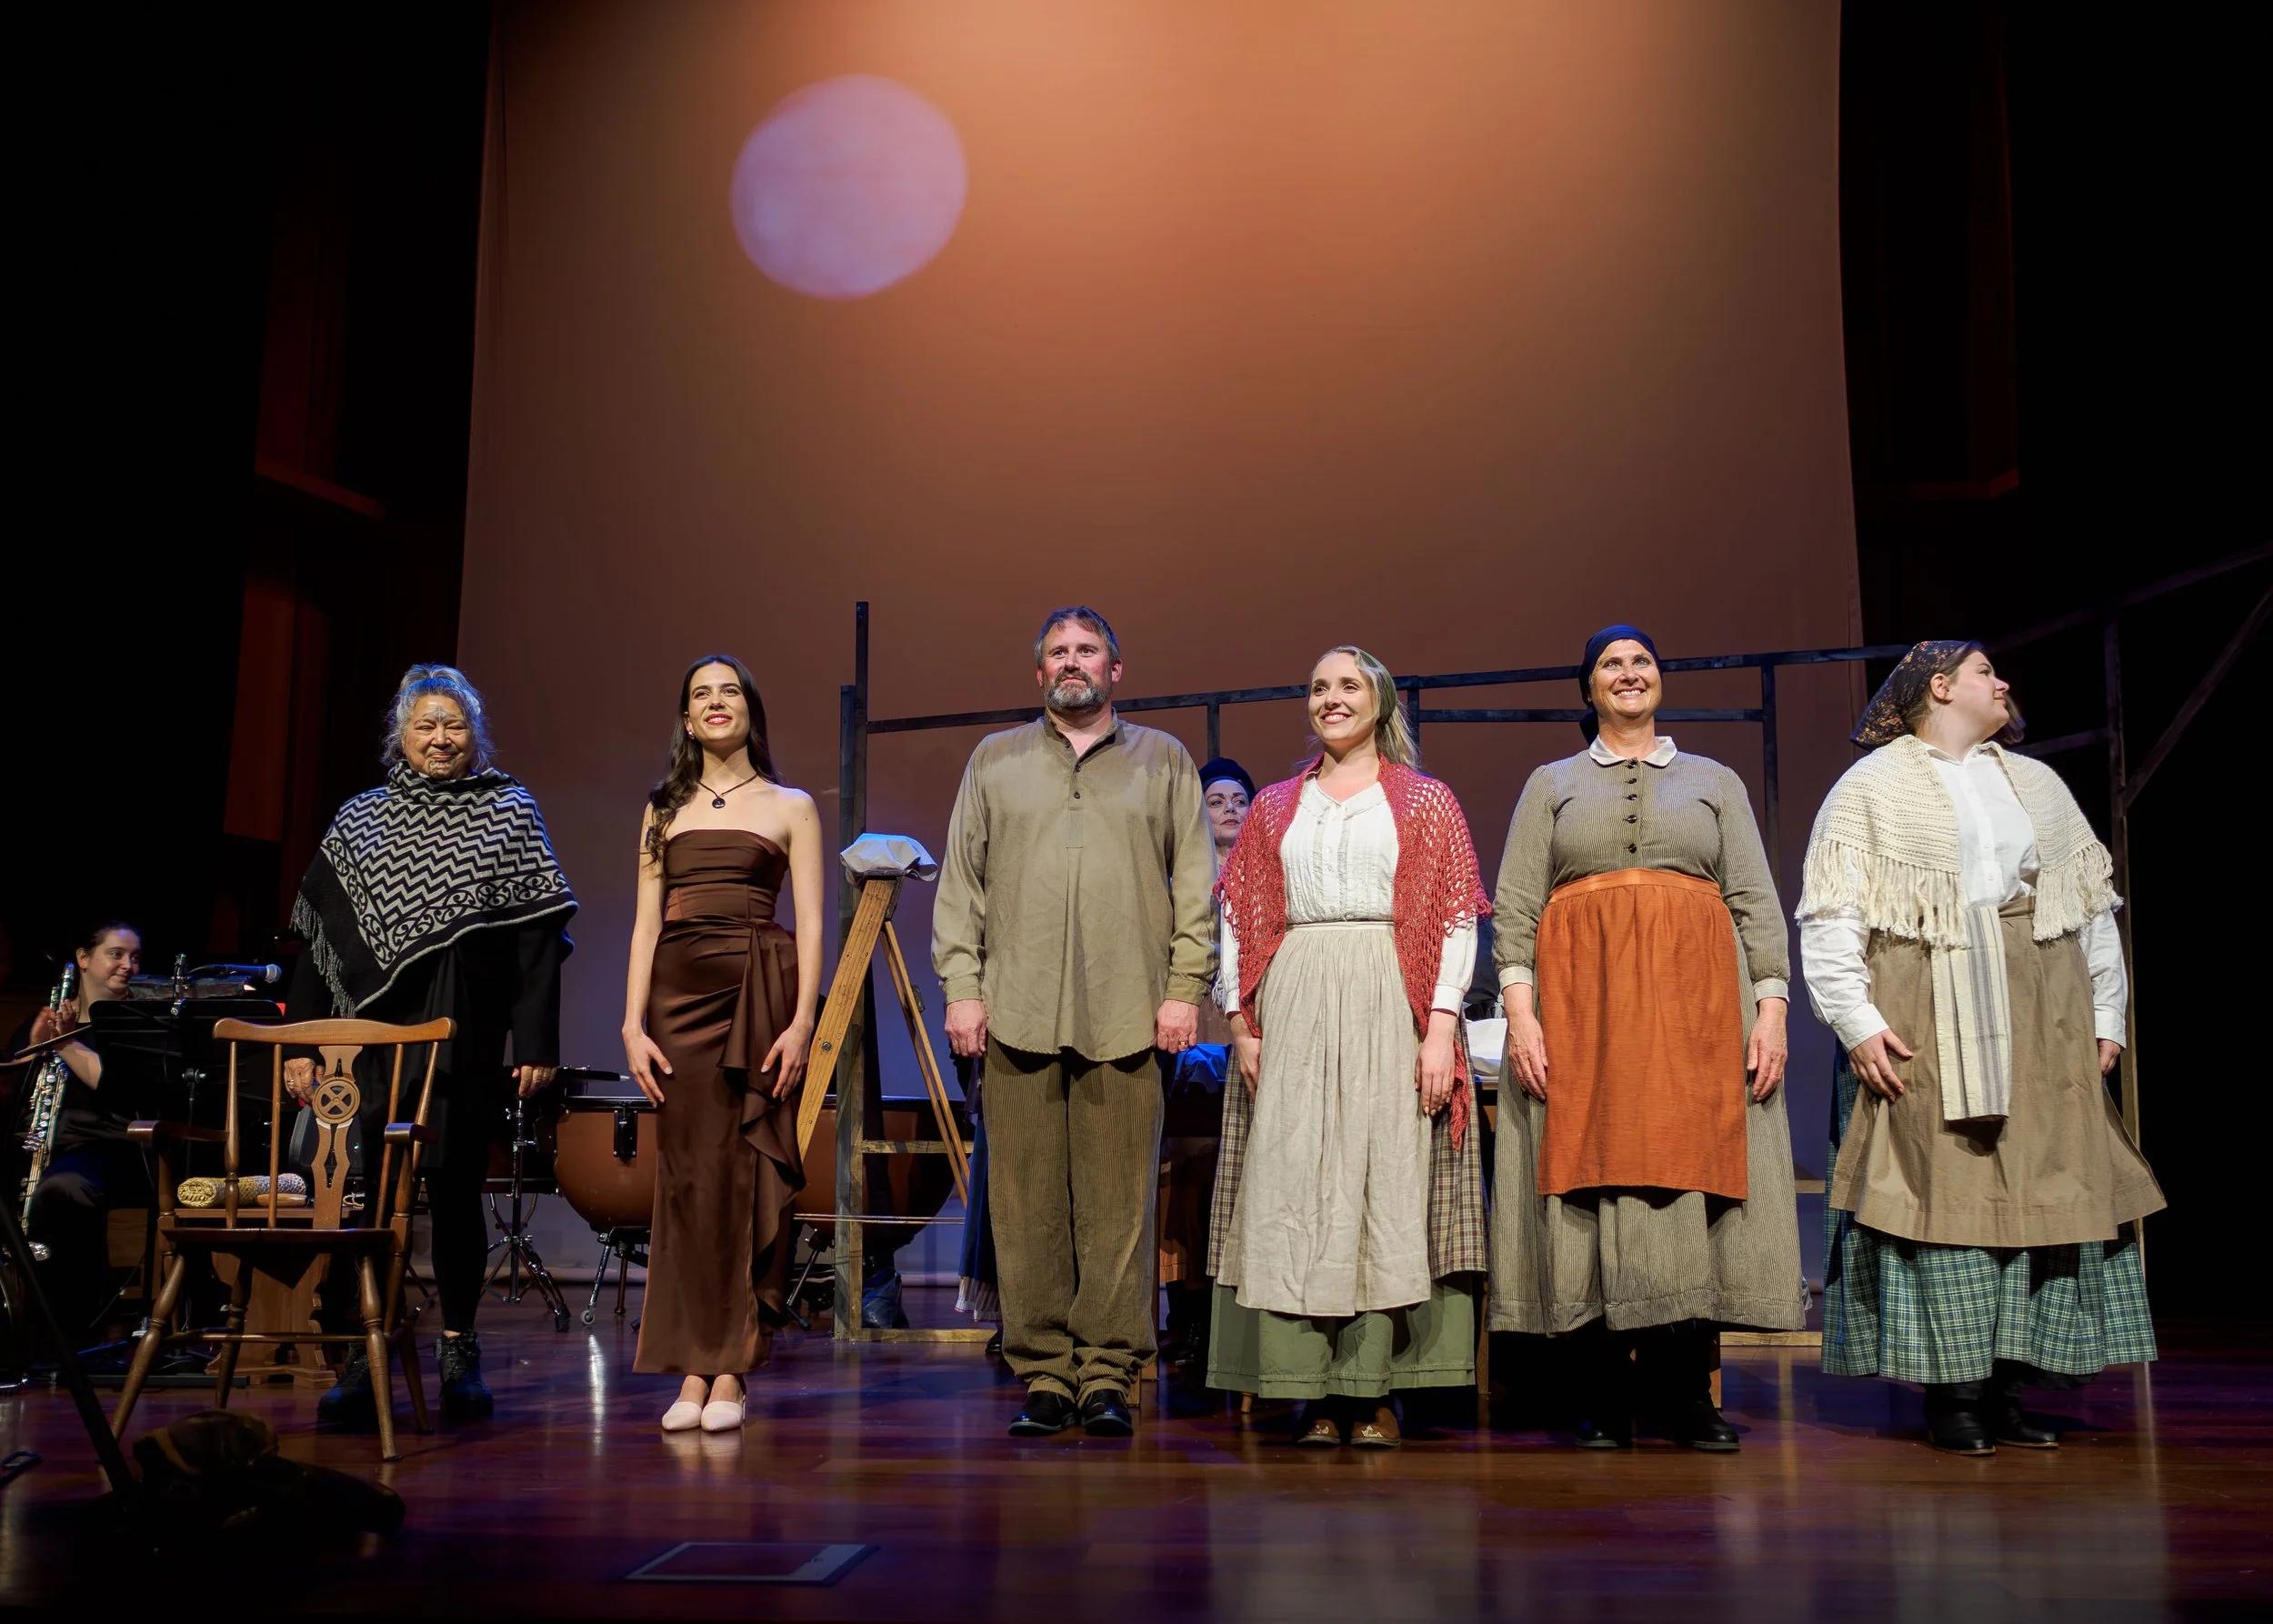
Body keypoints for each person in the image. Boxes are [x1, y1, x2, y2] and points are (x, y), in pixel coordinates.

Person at [1798, 641, 2163, 1455]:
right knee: (1941, 1190)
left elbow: (2086, 905)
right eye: (1985, 672)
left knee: (2037, 1184)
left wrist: (2107, 1013)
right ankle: (1952, 1392)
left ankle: (2008, 1385)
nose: (2002, 686)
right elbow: (1830, 917)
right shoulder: (1871, 787)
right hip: (1925, 1005)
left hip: (2040, 1001)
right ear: (1940, 686)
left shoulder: (2033, 782)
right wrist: (1855, 1021)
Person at [1489, 625, 1805, 1450]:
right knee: (1591, 1178)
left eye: (1641, 662)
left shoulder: (1713, 780)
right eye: (1610, 665)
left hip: (1699, 1012)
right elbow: (1516, 908)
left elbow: (1754, 900)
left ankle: (1683, 1393)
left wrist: (1770, 1010)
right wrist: (1522, 1014)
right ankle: (1600, 1392)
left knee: (1689, 1182)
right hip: (1583, 1009)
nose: (1628, 674)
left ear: (1660, 680)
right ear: (1587, 689)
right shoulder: (1551, 782)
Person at [933, 606, 1214, 1439]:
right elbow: (962, 886)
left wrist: (1182, 988)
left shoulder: (1163, 760)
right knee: (1024, 1206)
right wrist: (961, 988)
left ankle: (1108, 1374)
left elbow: (1195, 885)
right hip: (1015, 1011)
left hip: (1130, 1011)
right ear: (1040, 672)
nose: (1072, 662)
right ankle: (1045, 1372)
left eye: (1087, 650)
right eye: (1057, 652)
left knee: (1119, 1206)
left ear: (1116, 668)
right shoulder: (996, 760)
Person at [1207, 648, 1490, 1446]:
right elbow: (1241, 914)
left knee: (1380, 1182)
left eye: (1348, 686)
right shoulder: (1274, 807)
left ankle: (1371, 1389)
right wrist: (1240, 1021)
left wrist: (1440, 1027)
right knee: (1297, 1182)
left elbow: (1456, 916)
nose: (1331, 699)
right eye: (1319, 688)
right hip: (1295, 994)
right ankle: (1307, 1386)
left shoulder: (1426, 803)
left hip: (1385, 992)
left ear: (1381, 701)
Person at [284, 664, 575, 1428]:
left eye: (453, 725)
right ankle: (358, 1352)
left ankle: (458, 1346)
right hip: (365, 1047)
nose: (441, 738)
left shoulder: (509, 810)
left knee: (451, 1196)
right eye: (426, 725)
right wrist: (303, 1045)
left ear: (472, 735)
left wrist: (535, 1040)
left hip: (467, 1036)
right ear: (401, 737)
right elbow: (316, 942)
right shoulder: (360, 820)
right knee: (360, 1196)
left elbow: (538, 942)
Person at [622, 656, 822, 1433]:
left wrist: (803, 1021)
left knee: (740, 1177)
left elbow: (809, 924)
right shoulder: (660, 807)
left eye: (728, 691)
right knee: (685, 1183)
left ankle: (731, 1368)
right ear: (685, 718)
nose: (715, 703)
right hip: (675, 1003)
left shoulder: (791, 805)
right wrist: (632, 1026)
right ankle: (689, 1370)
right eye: (700, 694)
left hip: (756, 999)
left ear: (750, 711)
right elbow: (645, 924)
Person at [1157, 757, 1255, 1368]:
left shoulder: (1268, 877)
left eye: (1239, 799)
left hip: (1246, 1028)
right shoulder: (1178, 883)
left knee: (1237, 1166)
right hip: (1189, 1026)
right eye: (1215, 799)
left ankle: (1234, 1314)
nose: (1228, 809)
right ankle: (1187, 1312)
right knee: (1187, 1170)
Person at [17, 921, 149, 1351]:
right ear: (83, 958)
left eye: (134, 957)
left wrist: (62, 1046)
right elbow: (11, 1090)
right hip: (46, 1146)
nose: (127, 965)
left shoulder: (135, 1024)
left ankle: (70, 1329)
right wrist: (32, 1050)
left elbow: (117, 1086)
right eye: (115, 954)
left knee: (66, 1187)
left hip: (114, 1148)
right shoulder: (52, 1018)